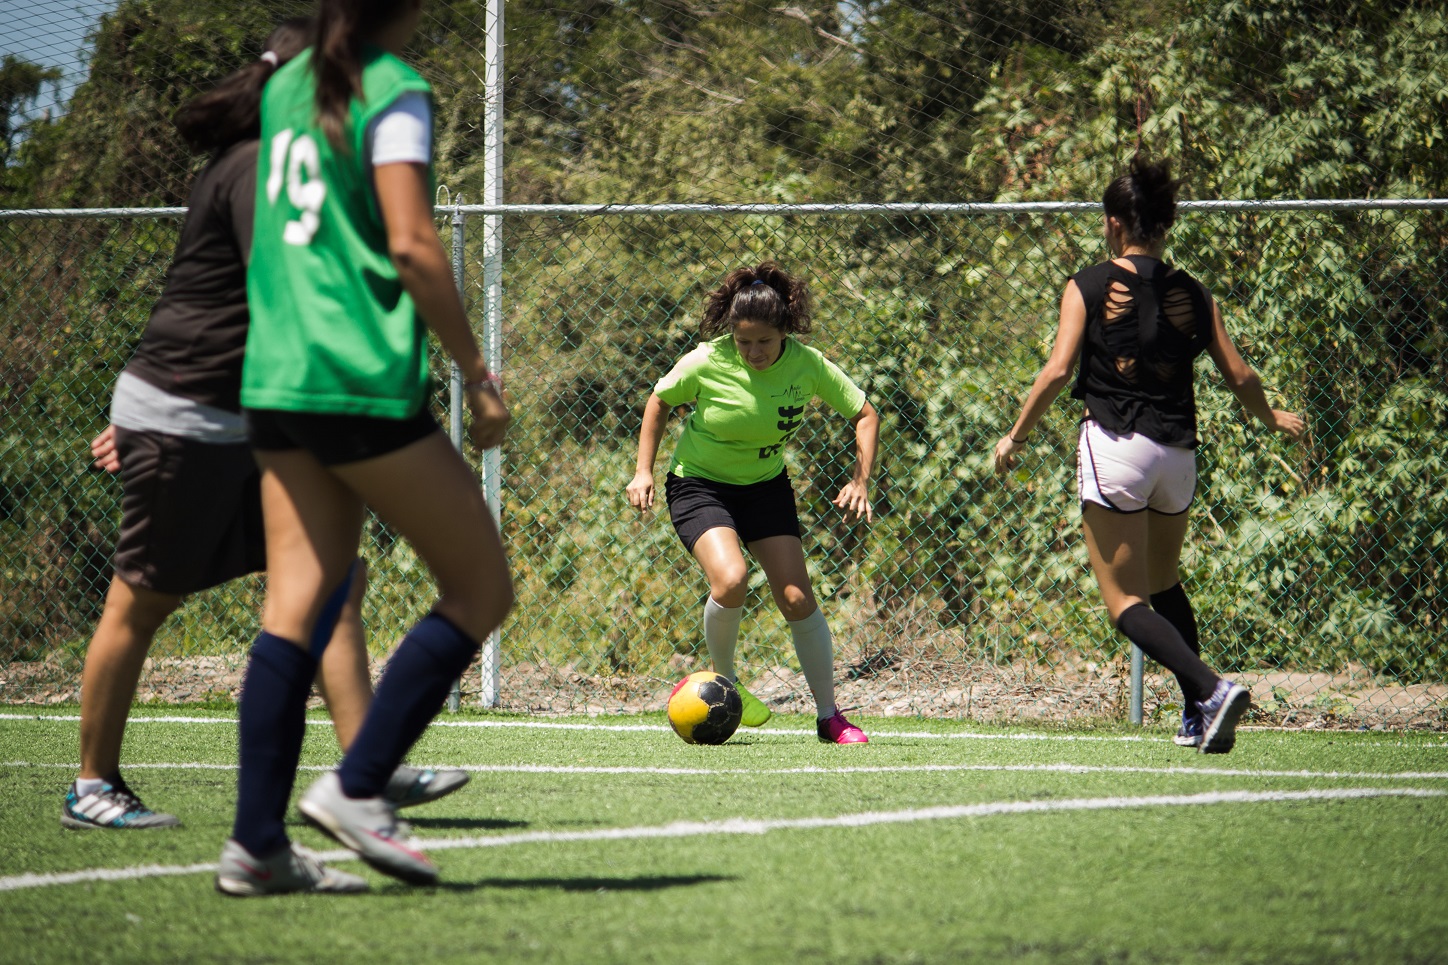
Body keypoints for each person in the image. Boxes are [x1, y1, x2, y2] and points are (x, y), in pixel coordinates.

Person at [61, 20, 466, 841]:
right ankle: (92, 781)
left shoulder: (275, 159)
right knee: (142, 599)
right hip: (188, 413)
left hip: (247, 415)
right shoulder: (255, 169)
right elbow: (291, 288)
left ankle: (366, 773)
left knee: (331, 583)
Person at [222, 0, 513, 896]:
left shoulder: (288, 90)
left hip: (274, 375)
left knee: (297, 604)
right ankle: (357, 787)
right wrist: (475, 369)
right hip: (353, 378)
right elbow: (414, 244)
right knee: (480, 587)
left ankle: (256, 846)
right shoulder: (395, 89)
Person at [993, 156, 1305, 754]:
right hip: (1177, 456)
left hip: (1116, 447)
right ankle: (1199, 716)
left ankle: (1211, 688)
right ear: (1165, 225)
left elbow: (1058, 370)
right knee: (1164, 584)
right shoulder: (1194, 290)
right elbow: (1239, 373)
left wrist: (1017, 435)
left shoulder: (1087, 283)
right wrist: (1269, 417)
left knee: (1125, 602)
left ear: (1113, 224)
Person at [627, 262, 879, 745]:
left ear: (784, 330)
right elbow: (658, 401)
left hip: (765, 486)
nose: (754, 352)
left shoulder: (808, 364)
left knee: (797, 598)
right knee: (732, 578)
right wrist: (643, 471)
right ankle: (727, 685)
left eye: (764, 341)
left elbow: (864, 415)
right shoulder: (707, 360)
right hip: (699, 484)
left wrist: (860, 480)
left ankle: (830, 717)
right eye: (744, 342)